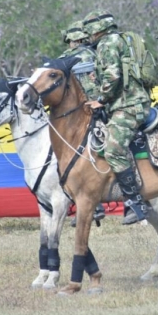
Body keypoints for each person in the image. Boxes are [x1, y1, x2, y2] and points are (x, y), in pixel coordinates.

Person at [82, 10, 154, 225]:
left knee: (113, 150)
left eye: (89, 31)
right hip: (132, 101)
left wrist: (100, 99)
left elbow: (113, 76)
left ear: (97, 29)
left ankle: (135, 201)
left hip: (129, 105)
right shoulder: (122, 40)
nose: (88, 36)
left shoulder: (107, 43)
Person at [59, 20, 106, 226]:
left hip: (81, 112)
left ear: (71, 40)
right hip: (102, 106)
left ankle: (90, 204)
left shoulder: (65, 59)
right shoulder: (99, 53)